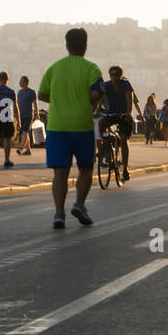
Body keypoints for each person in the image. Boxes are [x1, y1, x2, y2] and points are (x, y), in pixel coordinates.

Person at [38, 28, 104, 228]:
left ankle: (59, 213)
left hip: (56, 127)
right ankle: (79, 204)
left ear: (66, 45)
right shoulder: (91, 68)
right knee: (85, 168)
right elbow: (99, 92)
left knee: (60, 173)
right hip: (81, 125)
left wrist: (58, 101)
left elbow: (41, 95)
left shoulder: (54, 68)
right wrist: (86, 101)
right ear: (85, 45)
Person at [93, 65, 141, 181]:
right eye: (111, 75)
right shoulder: (107, 85)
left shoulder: (126, 85)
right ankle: (106, 147)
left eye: (116, 75)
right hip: (111, 113)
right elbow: (99, 99)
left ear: (120, 76)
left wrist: (129, 113)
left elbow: (129, 98)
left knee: (124, 140)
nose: (113, 77)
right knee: (101, 123)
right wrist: (93, 111)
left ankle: (125, 169)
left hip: (123, 114)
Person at [0, 71, 20, 169]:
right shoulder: (11, 92)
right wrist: (19, 121)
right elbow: (15, 107)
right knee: (7, 140)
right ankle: (7, 159)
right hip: (7, 118)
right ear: (7, 79)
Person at [16, 76, 37, 155]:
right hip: (20, 116)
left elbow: (35, 103)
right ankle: (28, 150)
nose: (19, 82)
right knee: (25, 133)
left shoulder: (31, 92)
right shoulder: (19, 92)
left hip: (28, 115)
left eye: (21, 81)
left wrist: (36, 113)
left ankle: (21, 148)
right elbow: (17, 104)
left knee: (25, 131)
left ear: (25, 82)